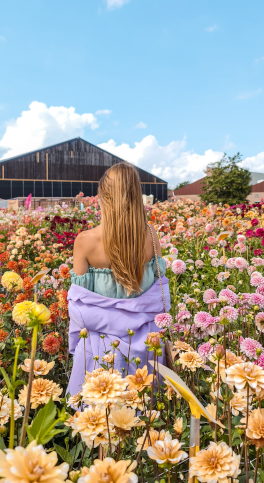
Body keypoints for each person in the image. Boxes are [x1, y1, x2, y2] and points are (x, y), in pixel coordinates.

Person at [67, 162, 171, 396]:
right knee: (145, 413)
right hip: (146, 346)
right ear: (136, 196)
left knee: (98, 418)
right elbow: (159, 291)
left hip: (99, 349)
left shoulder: (85, 241)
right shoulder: (151, 235)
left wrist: (75, 344)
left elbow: (78, 307)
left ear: (103, 197)